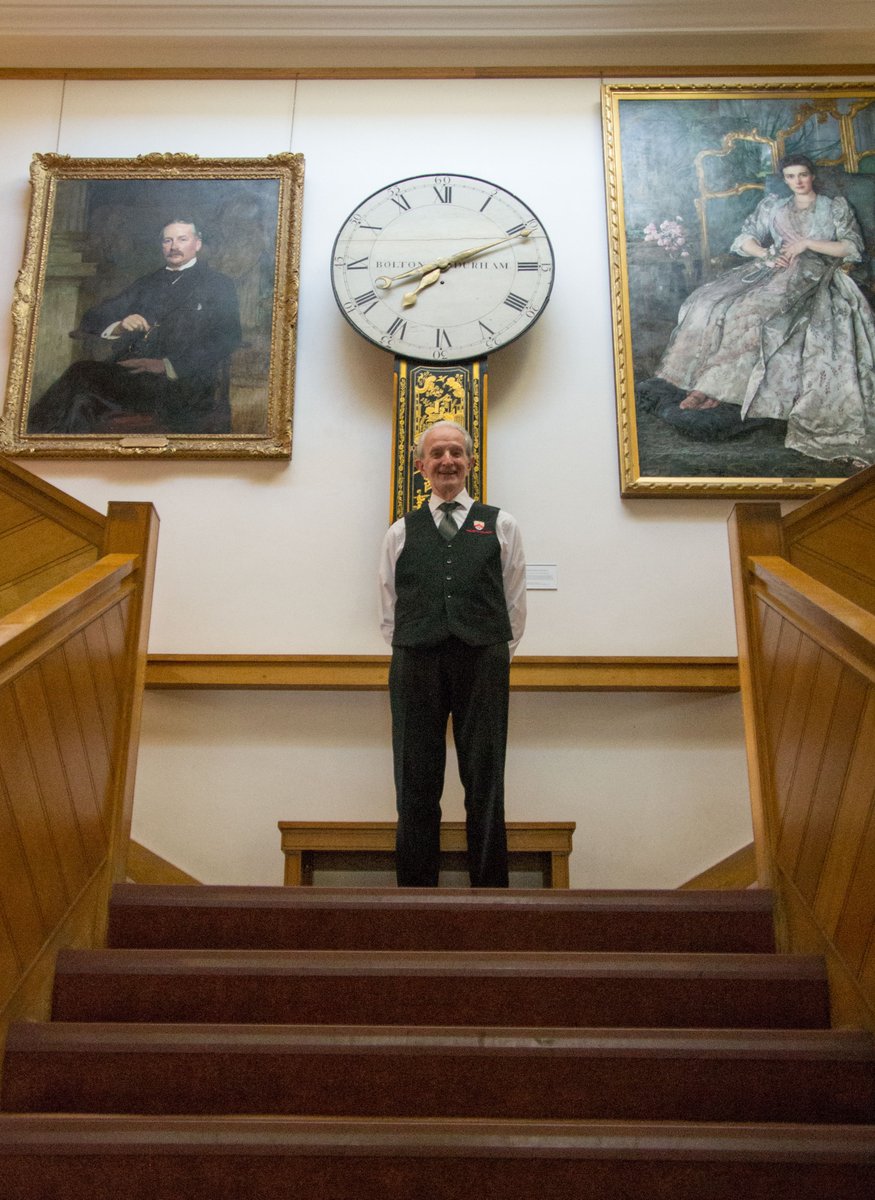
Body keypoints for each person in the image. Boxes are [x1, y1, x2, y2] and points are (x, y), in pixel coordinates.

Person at [651, 154, 875, 466]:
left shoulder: (833, 206)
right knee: (711, 304)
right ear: (784, 179)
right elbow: (744, 239)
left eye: (803, 175)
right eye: (791, 176)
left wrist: (808, 243)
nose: (797, 181)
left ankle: (720, 393)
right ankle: (703, 386)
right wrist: (766, 254)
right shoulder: (774, 206)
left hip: (813, 272)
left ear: (812, 176)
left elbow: (851, 247)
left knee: (755, 313)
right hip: (773, 269)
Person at [378, 420, 527, 888]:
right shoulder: (400, 532)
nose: (447, 461)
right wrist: (419, 640)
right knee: (415, 780)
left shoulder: (501, 524)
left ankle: (490, 895)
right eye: (437, 453)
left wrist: (489, 646)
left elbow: (514, 602)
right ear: (421, 465)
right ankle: (416, 897)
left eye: (456, 452)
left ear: (469, 462)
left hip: (482, 661)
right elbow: (388, 607)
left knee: (485, 779)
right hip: (415, 661)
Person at [28, 218, 242, 435]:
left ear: (197, 244)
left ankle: (31, 440)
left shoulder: (218, 284)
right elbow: (93, 317)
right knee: (80, 381)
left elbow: (228, 336)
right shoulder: (148, 282)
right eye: (167, 240)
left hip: (183, 383)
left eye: (182, 239)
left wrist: (166, 365)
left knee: (81, 384)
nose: (174, 246)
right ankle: (34, 440)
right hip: (135, 377)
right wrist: (119, 325)